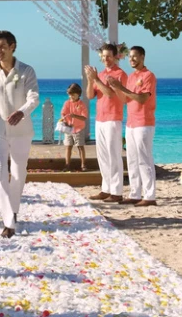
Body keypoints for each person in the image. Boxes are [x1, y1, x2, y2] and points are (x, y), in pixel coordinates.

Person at [0, 30, 39, 238]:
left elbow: (34, 98)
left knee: (19, 174)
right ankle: (9, 221)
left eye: (2, 47)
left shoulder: (26, 71)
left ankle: (13, 210)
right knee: (0, 173)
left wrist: (22, 112)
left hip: (21, 131)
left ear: (13, 47)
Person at [107, 46, 157, 206]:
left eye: (135, 56)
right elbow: (125, 99)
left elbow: (142, 99)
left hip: (144, 122)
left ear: (143, 57)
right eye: (130, 57)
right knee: (132, 159)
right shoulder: (131, 77)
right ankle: (135, 193)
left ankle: (149, 196)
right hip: (131, 122)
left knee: (144, 159)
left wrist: (120, 87)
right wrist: (116, 88)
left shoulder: (148, 76)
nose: (132, 59)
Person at [85, 43, 128, 202]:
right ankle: (106, 188)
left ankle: (116, 192)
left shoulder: (120, 74)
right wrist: (91, 80)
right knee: (102, 155)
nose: (105, 59)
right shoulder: (101, 74)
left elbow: (110, 94)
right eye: (103, 57)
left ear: (116, 56)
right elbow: (90, 95)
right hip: (100, 119)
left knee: (113, 154)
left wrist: (96, 79)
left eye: (108, 56)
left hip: (113, 118)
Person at [59, 83, 88, 172]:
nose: (71, 96)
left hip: (78, 128)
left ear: (78, 94)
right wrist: (64, 121)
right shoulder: (67, 103)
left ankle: (83, 164)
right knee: (68, 146)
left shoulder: (82, 104)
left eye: (73, 95)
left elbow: (84, 117)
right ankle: (67, 164)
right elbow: (63, 113)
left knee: (80, 146)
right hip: (68, 128)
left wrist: (75, 116)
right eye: (70, 95)